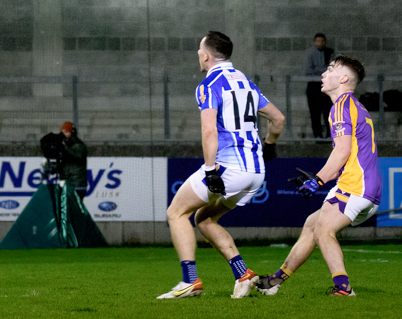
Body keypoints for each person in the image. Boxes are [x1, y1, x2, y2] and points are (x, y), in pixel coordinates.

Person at [157, 31, 285, 300]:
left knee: (175, 213)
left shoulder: (209, 84)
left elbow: (208, 131)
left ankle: (189, 281)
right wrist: (270, 146)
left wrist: (210, 169)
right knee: (203, 218)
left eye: (199, 52)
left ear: (206, 56)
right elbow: (278, 119)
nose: (198, 57)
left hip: (230, 168)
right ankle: (243, 274)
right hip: (256, 171)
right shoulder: (246, 82)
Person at [254, 54, 381, 298]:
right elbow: (347, 152)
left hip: (356, 186)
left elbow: (342, 151)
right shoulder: (353, 105)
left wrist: (318, 180)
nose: (323, 73)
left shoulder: (342, 105)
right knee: (312, 226)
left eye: (331, 69)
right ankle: (274, 282)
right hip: (362, 187)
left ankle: (343, 288)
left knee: (323, 230)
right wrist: (322, 177)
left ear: (343, 78)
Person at [305, 33, 334, 139]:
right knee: (315, 113)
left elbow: (331, 69)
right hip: (313, 86)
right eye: (318, 41)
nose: (320, 43)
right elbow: (308, 70)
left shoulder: (330, 52)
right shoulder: (310, 53)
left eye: (322, 41)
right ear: (314, 42)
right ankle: (317, 136)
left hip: (326, 87)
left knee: (328, 112)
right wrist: (323, 70)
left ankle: (329, 136)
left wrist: (318, 69)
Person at [60, 122, 88, 200]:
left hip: (77, 184)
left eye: (66, 132)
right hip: (68, 183)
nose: (63, 134)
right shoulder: (67, 145)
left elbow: (77, 157)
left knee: (75, 209)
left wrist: (64, 147)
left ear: (72, 132)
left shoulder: (78, 145)